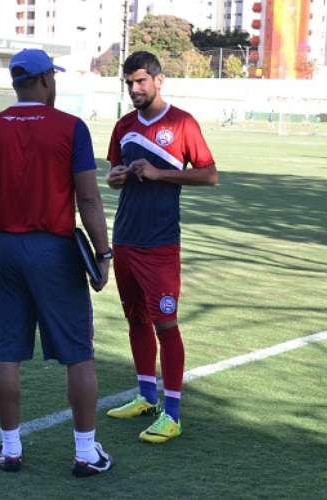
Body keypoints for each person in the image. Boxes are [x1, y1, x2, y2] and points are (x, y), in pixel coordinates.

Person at [0, 48, 114, 477]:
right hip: (55, 250)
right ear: (44, 80)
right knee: (78, 354)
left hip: (7, 249)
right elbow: (89, 197)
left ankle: (11, 449)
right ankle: (85, 452)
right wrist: (103, 252)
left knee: (6, 353)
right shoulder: (71, 128)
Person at [104, 51, 218, 444]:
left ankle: (172, 413)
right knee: (135, 319)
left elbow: (209, 175)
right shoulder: (123, 125)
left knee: (165, 324)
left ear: (158, 80)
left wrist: (159, 174)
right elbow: (111, 174)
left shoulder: (182, 123)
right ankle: (145, 397)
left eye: (140, 81)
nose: (134, 89)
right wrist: (116, 177)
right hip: (125, 239)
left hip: (160, 244)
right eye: (129, 83)